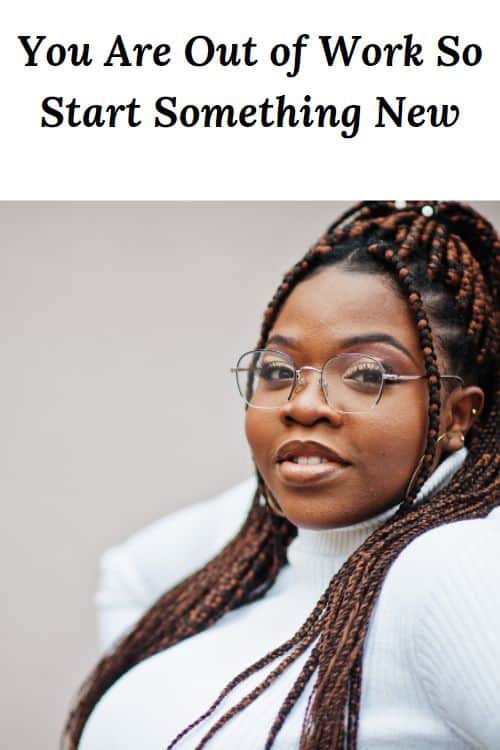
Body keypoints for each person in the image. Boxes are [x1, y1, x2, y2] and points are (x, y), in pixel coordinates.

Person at [64, 201, 499, 750]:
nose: (303, 404)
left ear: (458, 415)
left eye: (365, 374)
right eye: (277, 370)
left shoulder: (451, 570)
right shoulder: (257, 559)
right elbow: (127, 573)